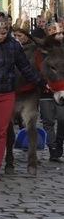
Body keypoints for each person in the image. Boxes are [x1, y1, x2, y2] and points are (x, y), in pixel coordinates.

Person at [0, 12, 47, 180]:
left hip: (7, 94)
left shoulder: (14, 46)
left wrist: (42, 83)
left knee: (2, 132)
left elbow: (25, 68)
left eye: (3, 34)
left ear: (8, 31)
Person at [39, 20, 64, 161]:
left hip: (62, 89)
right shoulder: (42, 51)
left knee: (62, 118)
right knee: (48, 121)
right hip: (46, 91)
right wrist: (42, 83)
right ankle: (53, 149)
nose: (60, 36)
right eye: (56, 34)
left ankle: (60, 141)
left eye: (61, 33)